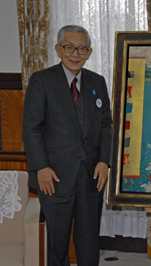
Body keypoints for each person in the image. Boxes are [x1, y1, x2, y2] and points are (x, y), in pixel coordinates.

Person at [22, 25, 112, 266]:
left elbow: (106, 126)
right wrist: (40, 167)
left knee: (89, 239)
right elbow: (32, 128)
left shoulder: (97, 82)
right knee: (57, 241)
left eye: (81, 48)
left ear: (89, 52)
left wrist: (104, 161)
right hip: (53, 176)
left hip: (91, 176)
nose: (75, 53)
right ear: (58, 50)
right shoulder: (41, 80)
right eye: (69, 47)